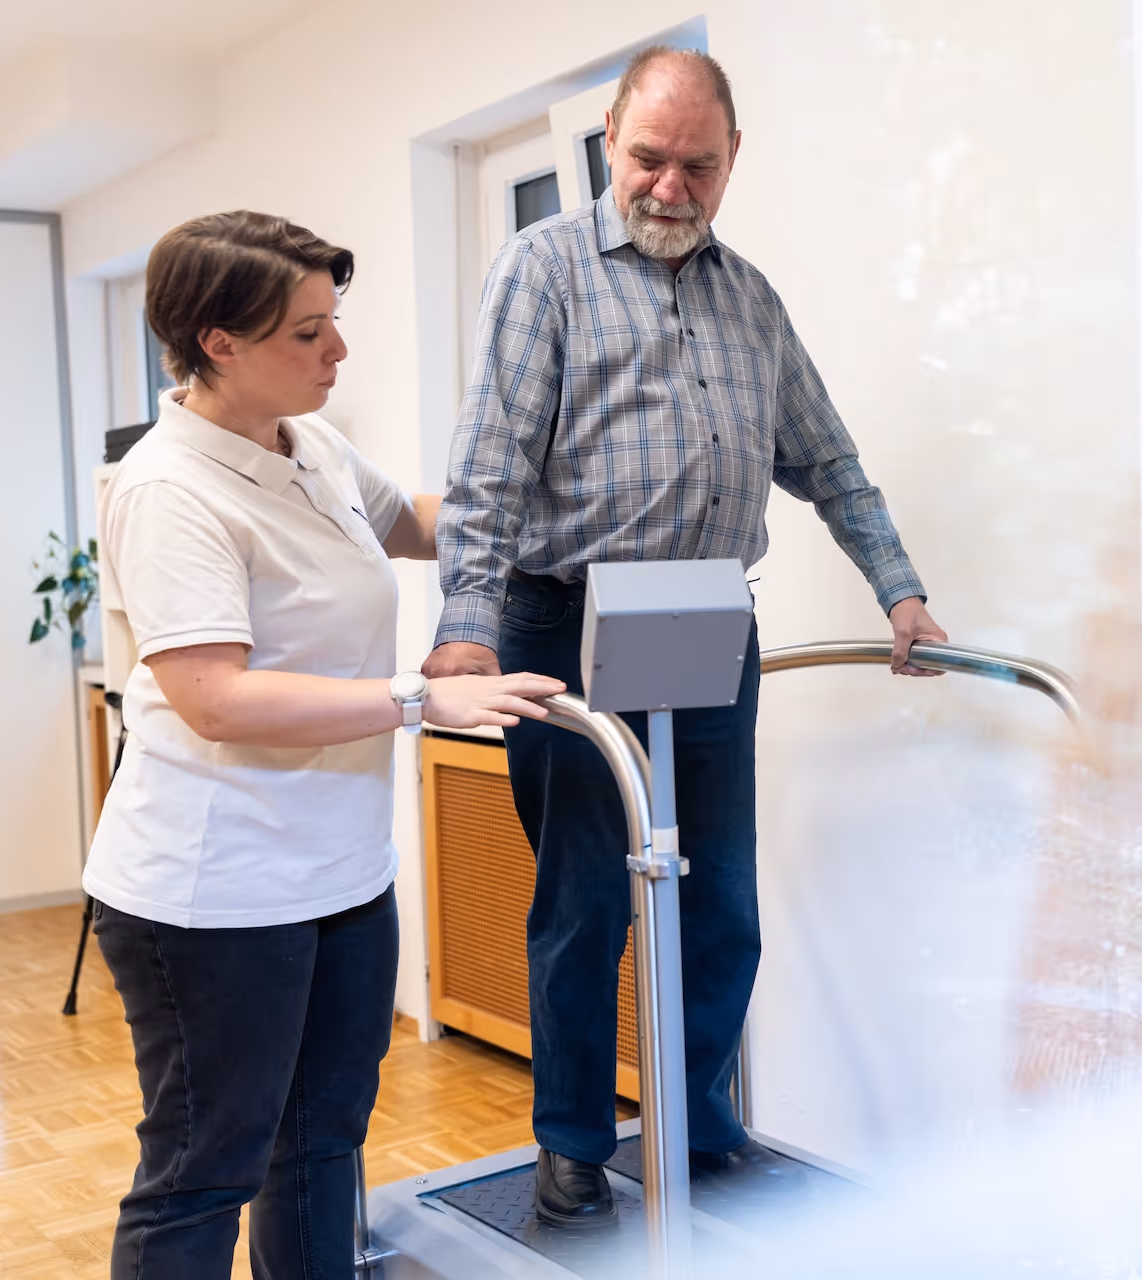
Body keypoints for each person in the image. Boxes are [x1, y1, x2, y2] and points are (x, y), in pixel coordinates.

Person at [425, 46, 948, 1227]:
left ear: (731, 160)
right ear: (612, 139)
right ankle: (568, 1144)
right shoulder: (542, 271)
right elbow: (490, 467)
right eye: (649, 158)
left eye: (696, 165)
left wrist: (899, 591)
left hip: (709, 617)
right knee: (585, 904)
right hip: (560, 616)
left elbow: (831, 461)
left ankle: (699, 1125)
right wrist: (464, 635)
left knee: (720, 900)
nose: (670, 186)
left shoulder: (750, 299)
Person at [86, 211, 565, 1278]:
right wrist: (411, 699)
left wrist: (576, 506)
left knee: (321, 1144)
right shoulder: (169, 489)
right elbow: (216, 697)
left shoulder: (313, 444)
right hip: (214, 890)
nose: (337, 352)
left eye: (332, 322)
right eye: (309, 333)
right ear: (219, 339)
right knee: (205, 1167)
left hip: (340, 872)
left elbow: (428, 524)